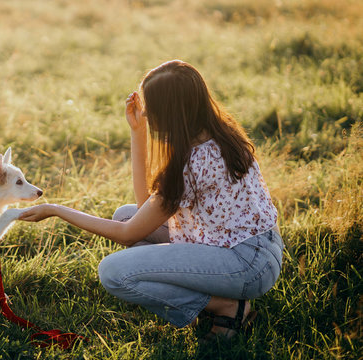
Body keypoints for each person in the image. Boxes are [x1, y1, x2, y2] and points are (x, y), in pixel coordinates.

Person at [18, 60, 284, 342]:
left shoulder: (194, 163)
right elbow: (143, 208)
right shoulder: (216, 133)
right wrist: (138, 133)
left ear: (171, 113)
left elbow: (129, 234)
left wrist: (55, 210)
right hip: (249, 247)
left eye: (151, 108)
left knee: (114, 272)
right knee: (124, 214)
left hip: (246, 264)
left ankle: (227, 306)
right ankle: (219, 300)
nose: (145, 112)